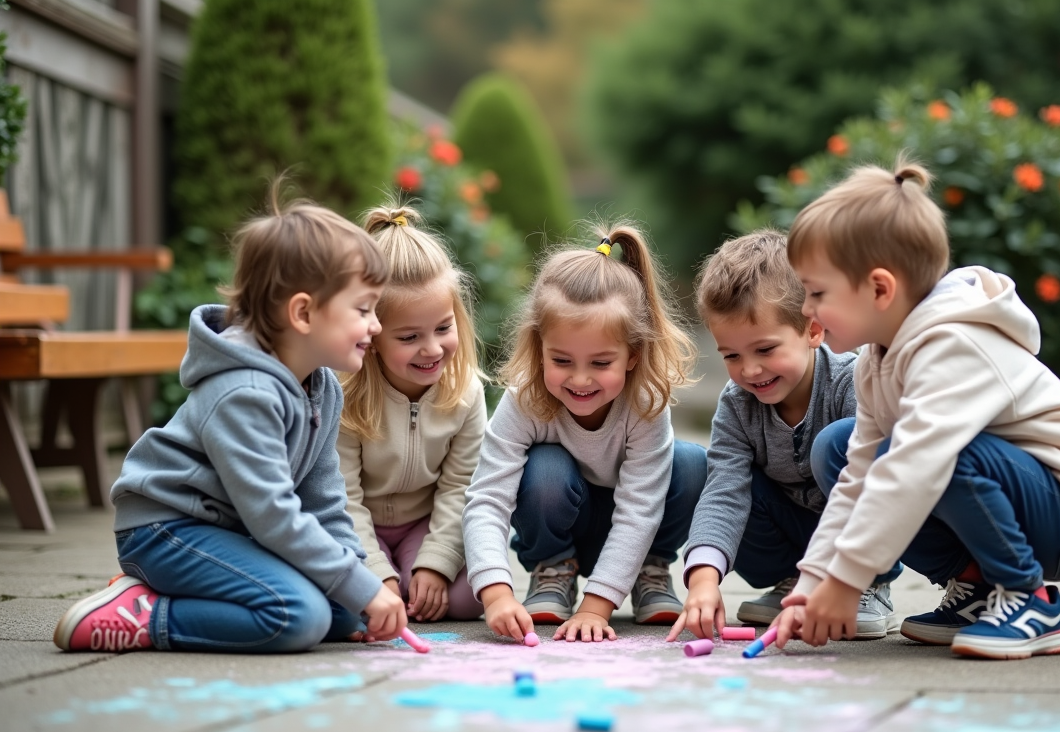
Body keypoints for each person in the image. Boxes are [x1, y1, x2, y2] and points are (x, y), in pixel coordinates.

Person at [775, 159, 1060, 659]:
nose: (806, 309)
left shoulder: (953, 344)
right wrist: (815, 582)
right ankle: (979, 591)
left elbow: (915, 467)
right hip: (1022, 501)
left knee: (933, 455)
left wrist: (848, 580)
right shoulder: (874, 361)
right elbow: (858, 479)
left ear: (879, 288)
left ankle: (1031, 599)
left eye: (817, 293)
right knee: (842, 447)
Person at [53, 189, 406, 654]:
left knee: (346, 611)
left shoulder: (323, 387)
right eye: (363, 309)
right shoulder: (244, 392)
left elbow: (323, 503)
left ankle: (186, 592)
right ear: (303, 313)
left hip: (232, 532)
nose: (376, 325)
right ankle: (145, 614)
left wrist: (361, 582)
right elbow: (272, 513)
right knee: (298, 616)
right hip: (166, 530)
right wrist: (357, 585)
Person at [463, 224, 707, 643]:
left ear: (632, 355)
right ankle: (553, 569)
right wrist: (496, 593)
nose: (579, 379)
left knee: (690, 462)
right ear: (539, 347)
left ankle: (648, 569)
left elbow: (639, 510)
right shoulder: (525, 400)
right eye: (562, 360)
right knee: (545, 468)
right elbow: (487, 498)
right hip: (563, 527)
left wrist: (597, 608)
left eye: (600, 363)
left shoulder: (645, 403)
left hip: (636, 535)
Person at [667, 230, 900, 645]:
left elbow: (879, 486)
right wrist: (703, 580)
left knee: (836, 443)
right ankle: (794, 581)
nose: (750, 370)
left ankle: (865, 584)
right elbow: (724, 491)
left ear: (813, 331)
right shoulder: (738, 404)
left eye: (765, 350)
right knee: (713, 473)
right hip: (789, 538)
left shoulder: (851, 382)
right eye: (732, 355)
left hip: (859, 536)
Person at [337, 204, 487, 627]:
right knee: (352, 603)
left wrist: (436, 564)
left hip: (423, 523)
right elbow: (341, 496)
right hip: (356, 526)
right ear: (372, 336)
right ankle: (389, 581)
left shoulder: (465, 392)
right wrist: (377, 574)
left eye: (443, 328)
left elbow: (461, 486)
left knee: (465, 599)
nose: (432, 349)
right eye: (409, 337)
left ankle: (410, 580)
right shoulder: (345, 393)